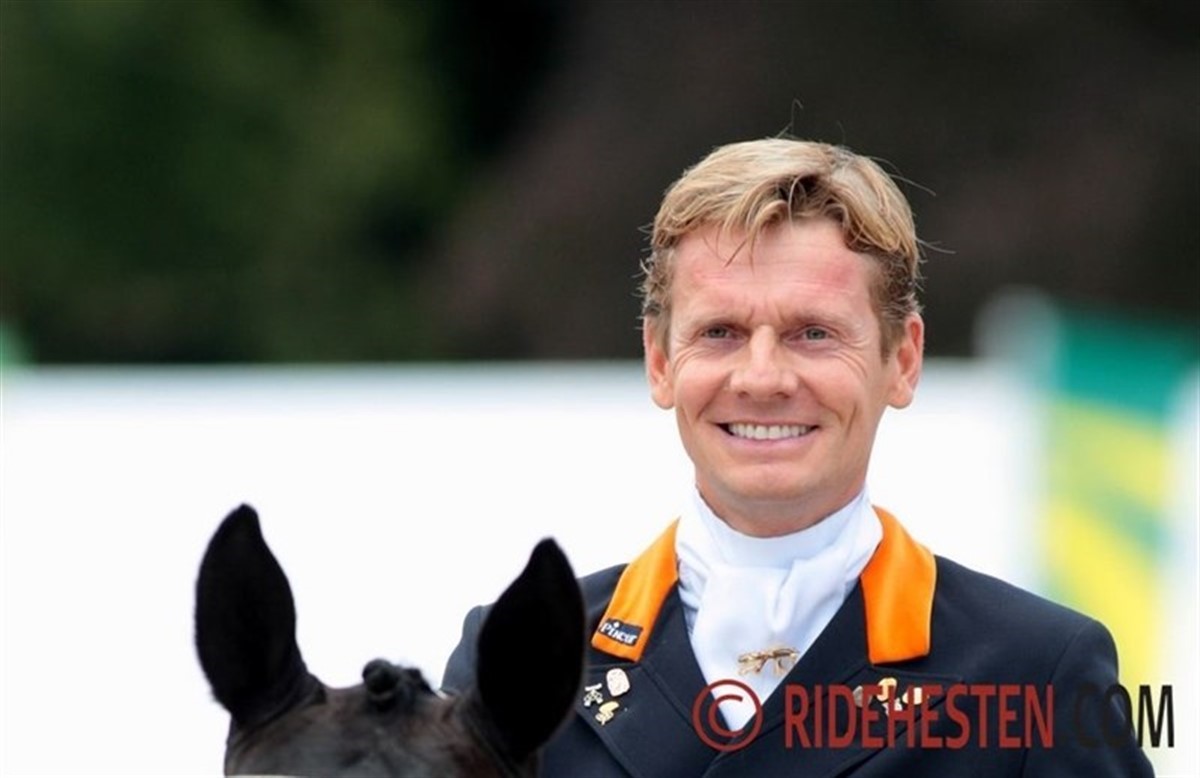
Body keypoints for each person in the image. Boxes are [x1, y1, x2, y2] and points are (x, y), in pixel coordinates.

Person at [443, 138, 1154, 776]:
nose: (762, 378)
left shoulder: (1036, 673)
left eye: (813, 333)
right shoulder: (517, 660)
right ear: (659, 361)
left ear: (903, 360)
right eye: (720, 332)